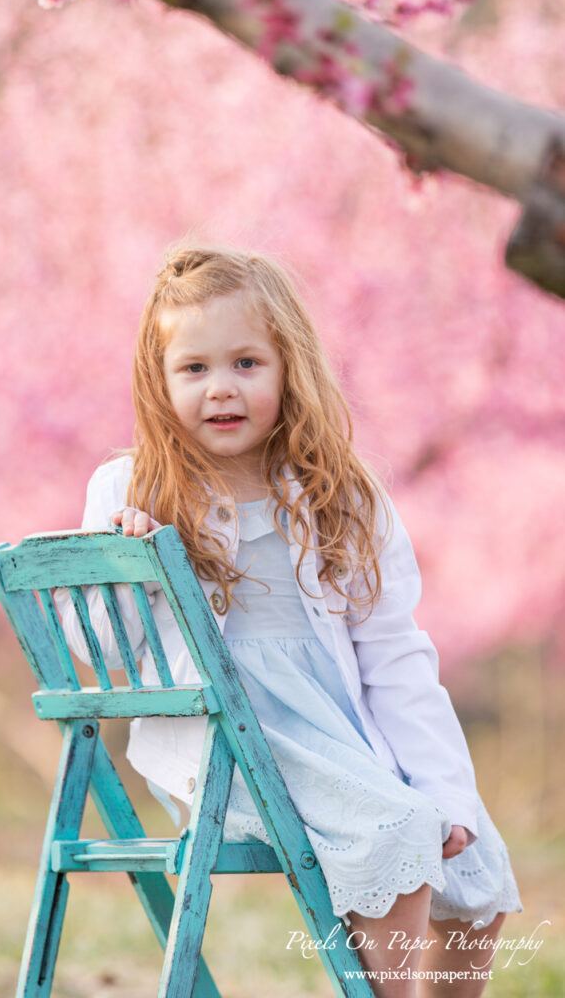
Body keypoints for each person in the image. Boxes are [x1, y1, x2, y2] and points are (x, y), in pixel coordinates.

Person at [56, 245, 521, 997]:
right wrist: (129, 567)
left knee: (476, 873)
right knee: (400, 832)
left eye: (246, 363)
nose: (221, 389)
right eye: (195, 369)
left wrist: (446, 786)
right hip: (227, 737)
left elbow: (396, 657)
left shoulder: (342, 492)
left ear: (288, 365)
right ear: (159, 380)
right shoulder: (130, 486)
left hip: (346, 729)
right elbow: (94, 652)